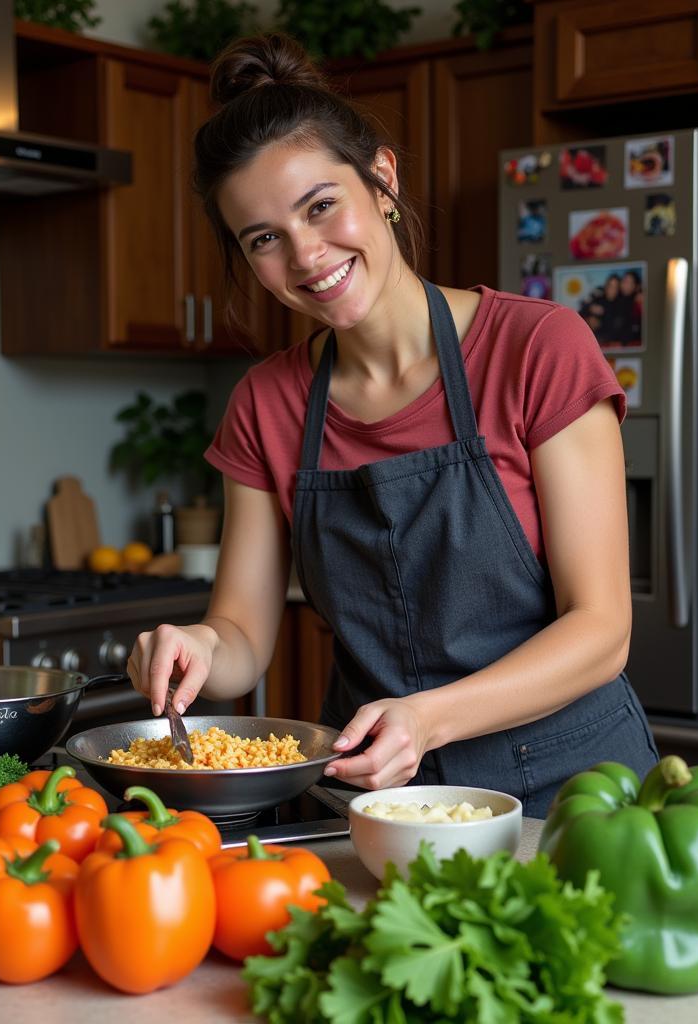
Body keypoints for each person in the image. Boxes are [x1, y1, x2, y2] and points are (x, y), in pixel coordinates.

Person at [125, 34, 658, 817]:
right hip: (375, 803)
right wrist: (201, 646)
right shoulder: (267, 404)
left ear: (382, 177)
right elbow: (240, 635)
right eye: (264, 240)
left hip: (575, 799)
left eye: (321, 206)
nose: (306, 255)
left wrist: (428, 717)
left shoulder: (537, 349)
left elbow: (602, 628)